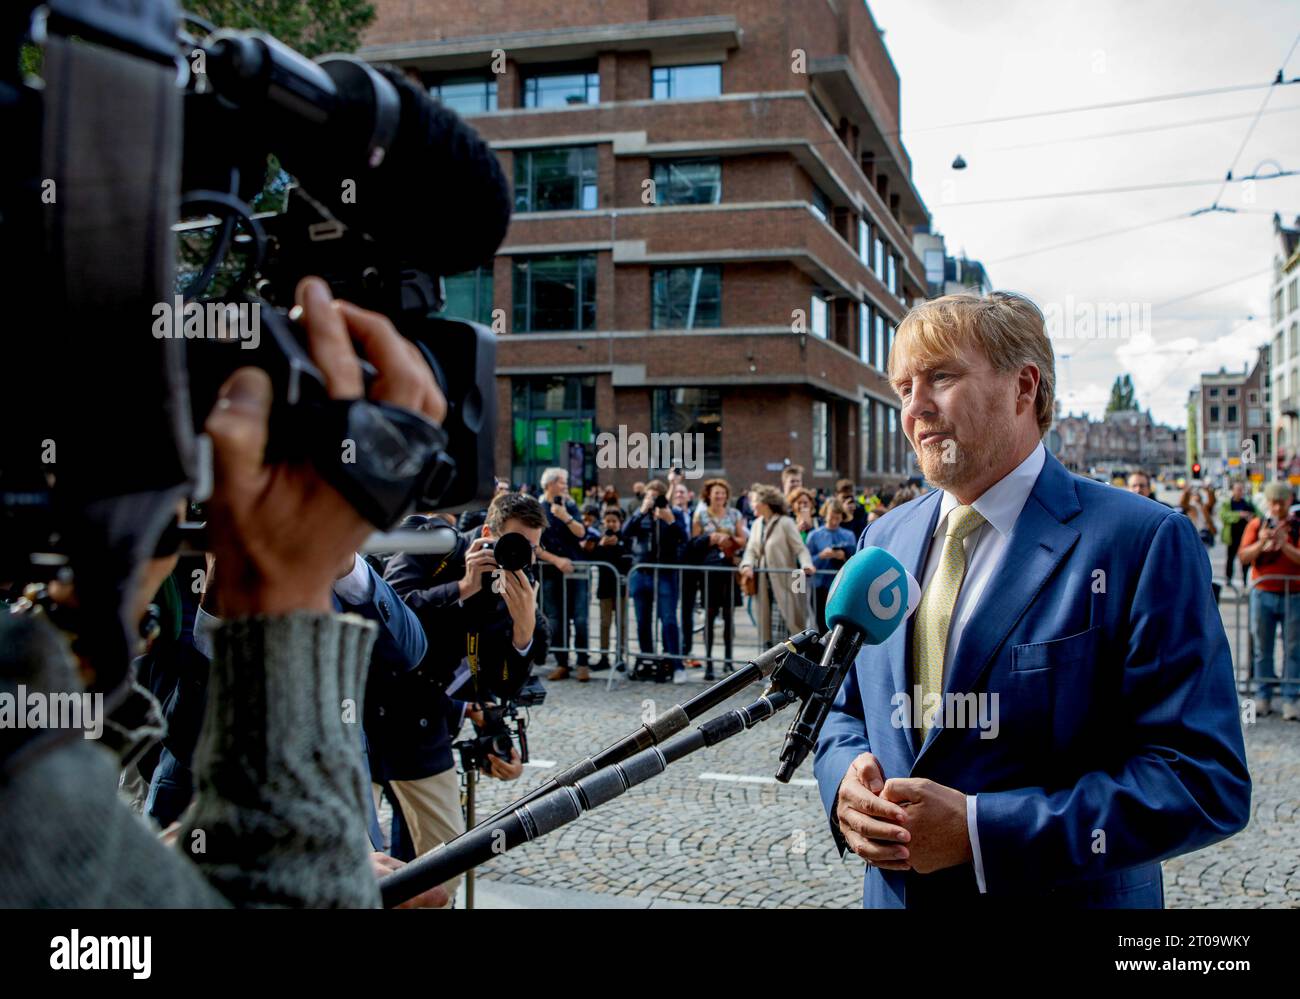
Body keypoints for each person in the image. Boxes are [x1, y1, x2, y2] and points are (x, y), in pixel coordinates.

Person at [0, 277, 450, 907]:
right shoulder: (193, 551)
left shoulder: (148, 548)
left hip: (302, 805)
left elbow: (411, 647)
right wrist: (270, 596)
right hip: (192, 782)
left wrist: (99, 595)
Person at [814, 291, 1250, 909]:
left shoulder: (1141, 541)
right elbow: (841, 708)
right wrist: (844, 782)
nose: (914, 408)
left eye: (941, 377)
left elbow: (1203, 781)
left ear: (1024, 387)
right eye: (903, 385)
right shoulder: (883, 537)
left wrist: (980, 832)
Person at [379, 492, 543, 903]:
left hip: (424, 727)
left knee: (440, 863)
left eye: (533, 550)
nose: (522, 558)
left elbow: (497, 683)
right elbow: (386, 611)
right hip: (363, 714)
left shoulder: (519, 589)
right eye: (515, 544)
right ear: (488, 533)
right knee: (348, 847)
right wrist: (462, 587)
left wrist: (524, 631)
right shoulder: (438, 545)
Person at [1237, 481, 1300, 719]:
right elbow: (1243, 556)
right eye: (1273, 503)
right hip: (1262, 592)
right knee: (1262, 648)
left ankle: (1290, 697)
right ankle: (1262, 695)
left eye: (1281, 503)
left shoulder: (1296, 527)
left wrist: (1284, 544)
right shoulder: (1256, 524)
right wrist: (1262, 542)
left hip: (1293, 594)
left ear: (1288, 502)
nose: (1276, 508)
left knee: (1293, 649)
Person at [623, 478, 688, 682]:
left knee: (668, 619)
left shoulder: (674, 514)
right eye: (650, 496)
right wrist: (641, 511)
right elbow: (625, 533)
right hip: (641, 572)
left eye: (657, 498)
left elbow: (685, 540)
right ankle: (648, 659)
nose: (654, 501)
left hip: (666, 573)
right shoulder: (640, 514)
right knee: (643, 621)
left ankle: (676, 664)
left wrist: (670, 520)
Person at [739, 485, 815, 645]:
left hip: (786, 584)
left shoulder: (785, 523)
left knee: (788, 627)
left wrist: (807, 564)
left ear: (765, 503)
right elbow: (751, 550)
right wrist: (747, 565)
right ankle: (772, 666)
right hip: (764, 585)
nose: (751, 504)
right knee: (769, 629)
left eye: (754, 501)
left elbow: (800, 549)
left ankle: (789, 665)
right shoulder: (757, 524)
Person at [690, 479, 748, 679]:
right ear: (709, 495)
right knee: (709, 615)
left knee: (729, 616)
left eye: (723, 493)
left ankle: (728, 660)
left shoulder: (734, 514)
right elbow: (694, 542)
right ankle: (708, 662)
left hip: (728, 571)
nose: (720, 496)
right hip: (710, 572)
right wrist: (711, 538)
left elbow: (743, 540)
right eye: (716, 493)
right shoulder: (701, 515)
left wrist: (728, 540)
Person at [538, 467, 592, 681]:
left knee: (580, 619)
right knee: (555, 620)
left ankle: (583, 663)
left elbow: (581, 532)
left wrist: (566, 517)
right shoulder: (537, 508)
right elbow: (534, 545)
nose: (566, 486)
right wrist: (556, 560)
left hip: (576, 571)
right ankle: (562, 663)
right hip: (551, 572)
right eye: (563, 482)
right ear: (550, 484)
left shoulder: (569, 505)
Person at [590, 507, 632, 671]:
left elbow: (628, 560)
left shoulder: (625, 539)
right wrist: (601, 545)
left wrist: (618, 546)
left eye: (614, 522)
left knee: (621, 623)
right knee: (604, 623)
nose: (611, 525)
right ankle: (604, 656)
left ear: (620, 523)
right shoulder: (599, 539)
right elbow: (594, 559)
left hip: (621, 588)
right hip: (605, 588)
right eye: (608, 522)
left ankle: (620, 656)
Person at [806, 498, 856, 633]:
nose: (834, 521)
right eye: (831, 517)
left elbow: (854, 559)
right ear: (825, 515)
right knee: (820, 623)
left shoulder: (849, 535)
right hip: (819, 586)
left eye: (838, 518)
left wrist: (843, 555)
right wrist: (821, 556)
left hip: (840, 585)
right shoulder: (814, 535)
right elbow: (805, 561)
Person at [1223, 480, 1256, 586]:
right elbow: (1224, 516)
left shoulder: (1247, 502)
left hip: (1244, 536)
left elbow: (1256, 514)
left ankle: (1245, 580)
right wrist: (1239, 515)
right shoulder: (1227, 503)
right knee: (1230, 558)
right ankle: (1228, 579)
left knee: (1245, 561)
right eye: (1237, 489)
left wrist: (1250, 517)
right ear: (1233, 491)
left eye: (1241, 490)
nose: (1239, 492)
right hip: (1232, 536)